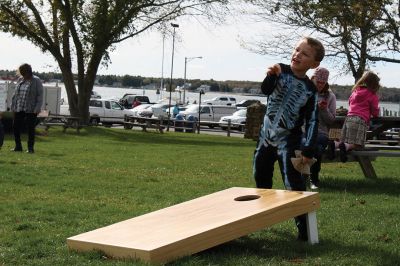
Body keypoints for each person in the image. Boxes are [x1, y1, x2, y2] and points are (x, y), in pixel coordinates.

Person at [253, 36, 325, 241]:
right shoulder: (280, 70)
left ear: (314, 63)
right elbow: (265, 90)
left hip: (288, 141)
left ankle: (304, 230)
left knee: (293, 183)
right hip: (266, 137)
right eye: (296, 50)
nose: (298, 55)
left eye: (305, 53)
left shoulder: (310, 91)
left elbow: (312, 121)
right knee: (260, 176)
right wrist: (270, 76)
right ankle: (263, 217)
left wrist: (309, 148)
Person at [327, 71, 380, 162]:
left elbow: (350, 103)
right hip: (360, 120)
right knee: (359, 144)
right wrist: (377, 112)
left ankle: (335, 144)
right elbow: (375, 111)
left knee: (344, 139)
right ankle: (346, 146)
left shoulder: (356, 92)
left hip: (348, 118)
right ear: (374, 84)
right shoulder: (372, 95)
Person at [308, 67, 336, 189]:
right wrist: (314, 107)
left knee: (316, 144)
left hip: (321, 132)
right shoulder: (304, 91)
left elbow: (331, 120)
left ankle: (309, 177)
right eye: (317, 82)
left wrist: (324, 110)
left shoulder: (330, 96)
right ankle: (312, 178)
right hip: (304, 130)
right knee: (313, 146)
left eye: (322, 83)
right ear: (312, 79)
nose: (319, 85)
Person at [10, 63, 43, 153]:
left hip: (31, 109)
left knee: (30, 129)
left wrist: (37, 108)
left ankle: (30, 148)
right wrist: (13, 106)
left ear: (29, 72)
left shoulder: (36, 80)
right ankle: (18, 146)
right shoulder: (20, 80)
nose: (23, 75)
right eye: (22, 73)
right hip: (19, 107)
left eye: (24, 73)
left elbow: (40, 96)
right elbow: (15, 94)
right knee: (15, 127)